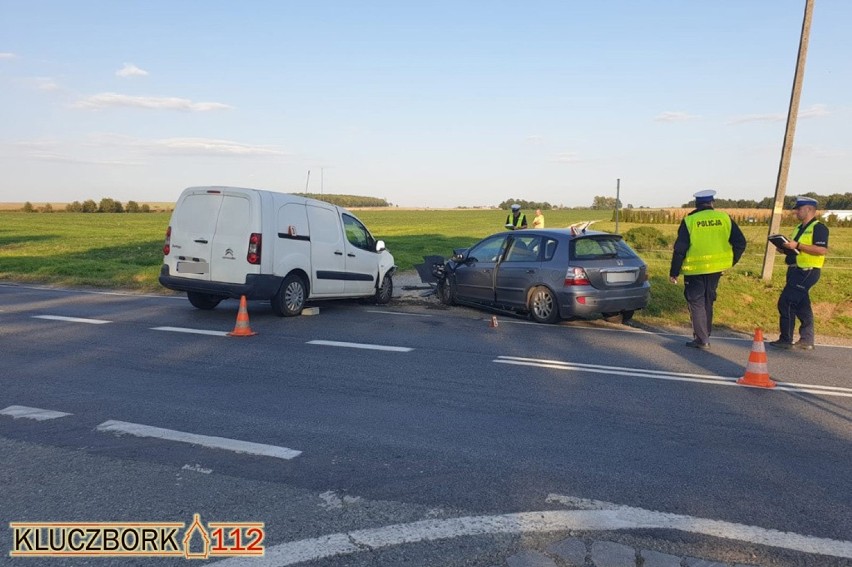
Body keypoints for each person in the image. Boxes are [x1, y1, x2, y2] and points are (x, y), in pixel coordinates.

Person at [669, 190, 746, 349]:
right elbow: (740, 242)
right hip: (716, 270)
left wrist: (674, 272)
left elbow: (680, 249)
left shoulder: (690, 220)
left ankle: (701, 339)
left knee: (696, 303)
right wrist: (731, 262)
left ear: (696, 204)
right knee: (708, 302)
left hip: (694, 271)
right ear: (712, 203)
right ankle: (705, 334)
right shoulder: (724, 218)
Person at [769, 196, 829, 350]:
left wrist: (799, 245)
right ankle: (807, 340)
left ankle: (786, 339)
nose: (796, 212)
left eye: (799, 209)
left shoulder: (819, 227)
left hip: (807, 270)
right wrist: (784, 248)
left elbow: (821, 250)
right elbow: (796, 250)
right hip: (795, 269)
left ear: (809, 209)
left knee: (787, 301)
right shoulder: (798, 228)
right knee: (802, 305)